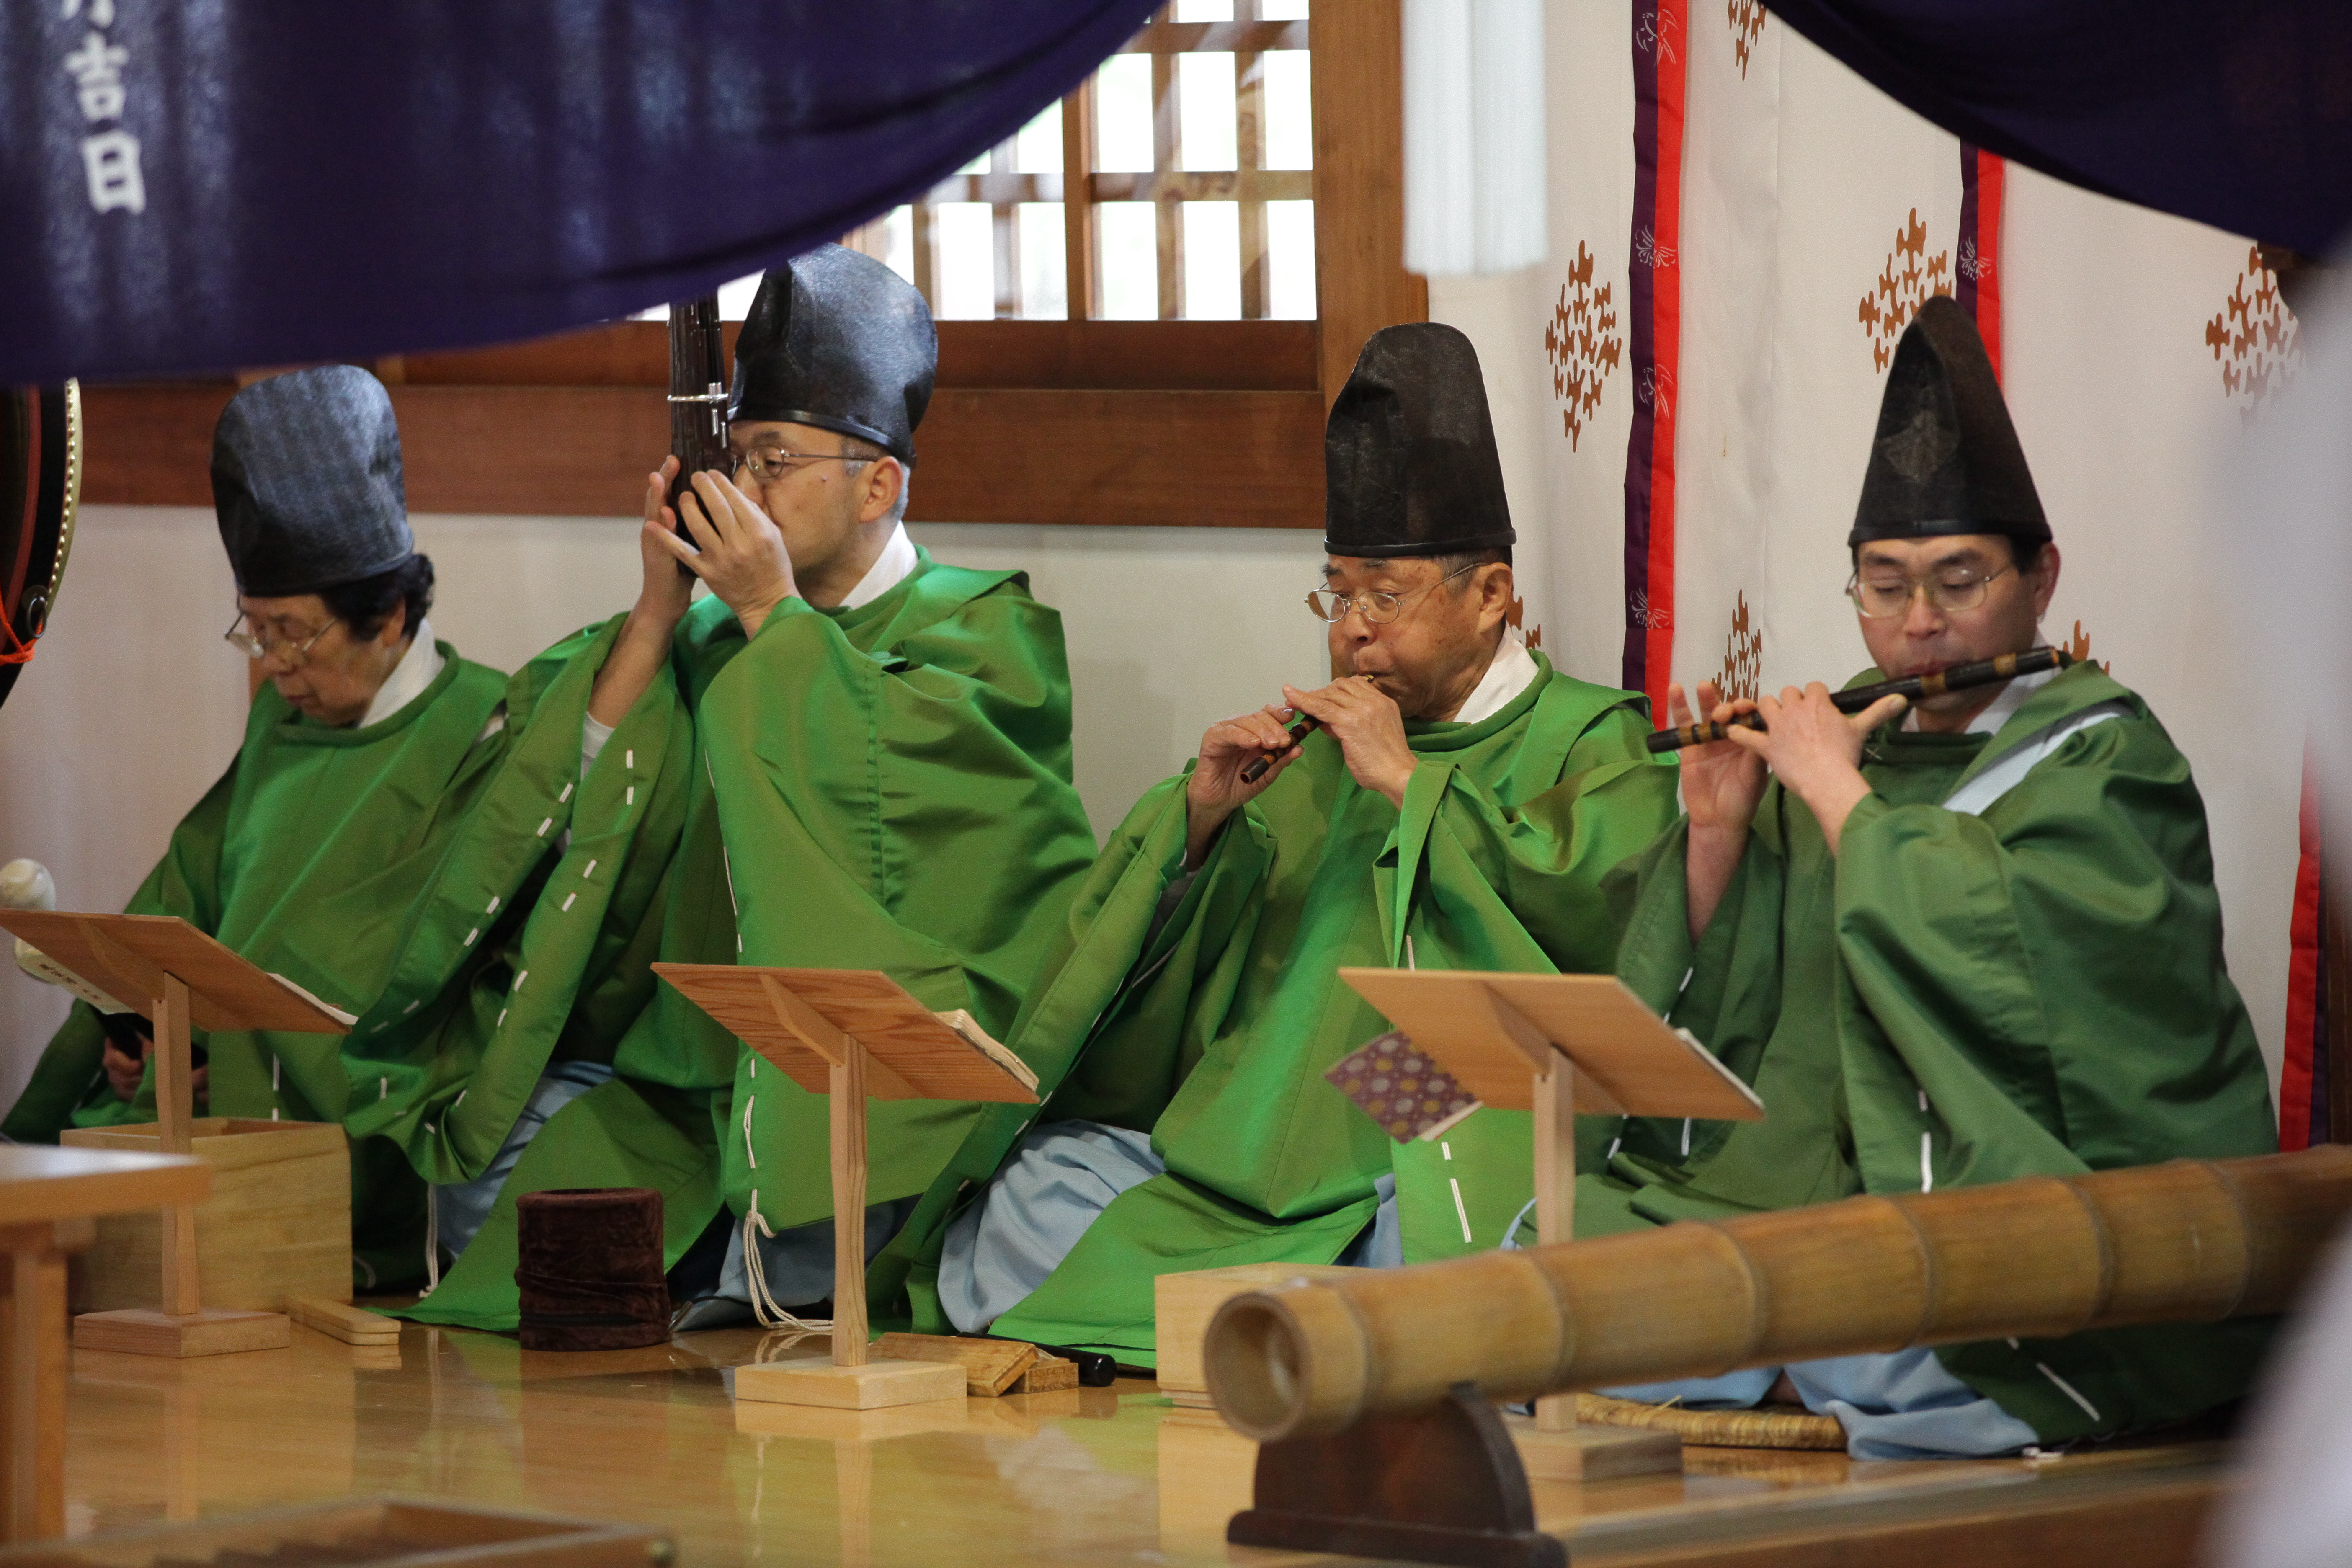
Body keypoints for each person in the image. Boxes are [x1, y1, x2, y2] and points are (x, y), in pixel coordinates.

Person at [874, 323, 1682, 1358]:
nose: (1352, 628)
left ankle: (1275, 1312)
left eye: (1386, 597)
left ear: (1492, 598)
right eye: (1337, 593)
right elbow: (1190, 994)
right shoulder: (1309, 751)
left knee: (1468, 1238)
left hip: (1417, 1139)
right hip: (1239, 1149)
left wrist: (1410, 786)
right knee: (1040, 1184)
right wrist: (1201, 821)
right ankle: (1297, 1318)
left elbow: (1607, 938)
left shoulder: (1589, 737)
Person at [1594, 296, 2277, 1457]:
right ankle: (1783, 1362)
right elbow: (1735, 1028)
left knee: (1935, 1331)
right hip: (1805, 1183)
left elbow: (2039, 981)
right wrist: (1716, 833)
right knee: (1505, 1232)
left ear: (2041, 576)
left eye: (1959, 581)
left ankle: (1783, 1367)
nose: (1918, 625)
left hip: (2004, 1197)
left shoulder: (2107, 755)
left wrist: (1843, 803)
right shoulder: (1847, 741)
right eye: (1883, 582)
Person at [379, 245, 1100, 1330]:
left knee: (956, 1218)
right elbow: (577, 787)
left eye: (773, 461)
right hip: (687, 1080)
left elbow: (923, 829)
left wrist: (774, 616)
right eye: (735, 458)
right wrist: (662, 610)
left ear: (878, 483)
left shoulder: (989, 631)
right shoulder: (711, 628)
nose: (741, 491)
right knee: (497, 1154)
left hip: (872, 1101)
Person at [2, 366, 518, 1288]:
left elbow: (423, 985)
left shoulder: (484, 735)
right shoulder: (285, 720)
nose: (276, 665)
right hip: (208, 1112)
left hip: (350, 1143)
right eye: (255, 631)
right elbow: (189, 900)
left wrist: (234, 1059)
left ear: (389, 614)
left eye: (295, 632)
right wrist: (144, 1038)